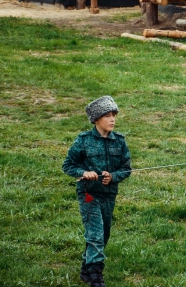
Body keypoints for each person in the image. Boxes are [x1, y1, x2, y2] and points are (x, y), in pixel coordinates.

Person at [62, 96, 132, 287]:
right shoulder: (83, 141)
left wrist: (114, 177)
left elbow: (126, 168)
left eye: (114, 116)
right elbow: (68, 165)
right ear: (96, 119)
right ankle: (95, 276)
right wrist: (84, 172)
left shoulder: (119, 142)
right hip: (89, 194)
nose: (112, 120)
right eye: (107, 116)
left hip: (109, 195)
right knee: (95, 235)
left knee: (104, 234)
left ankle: (86, 265)